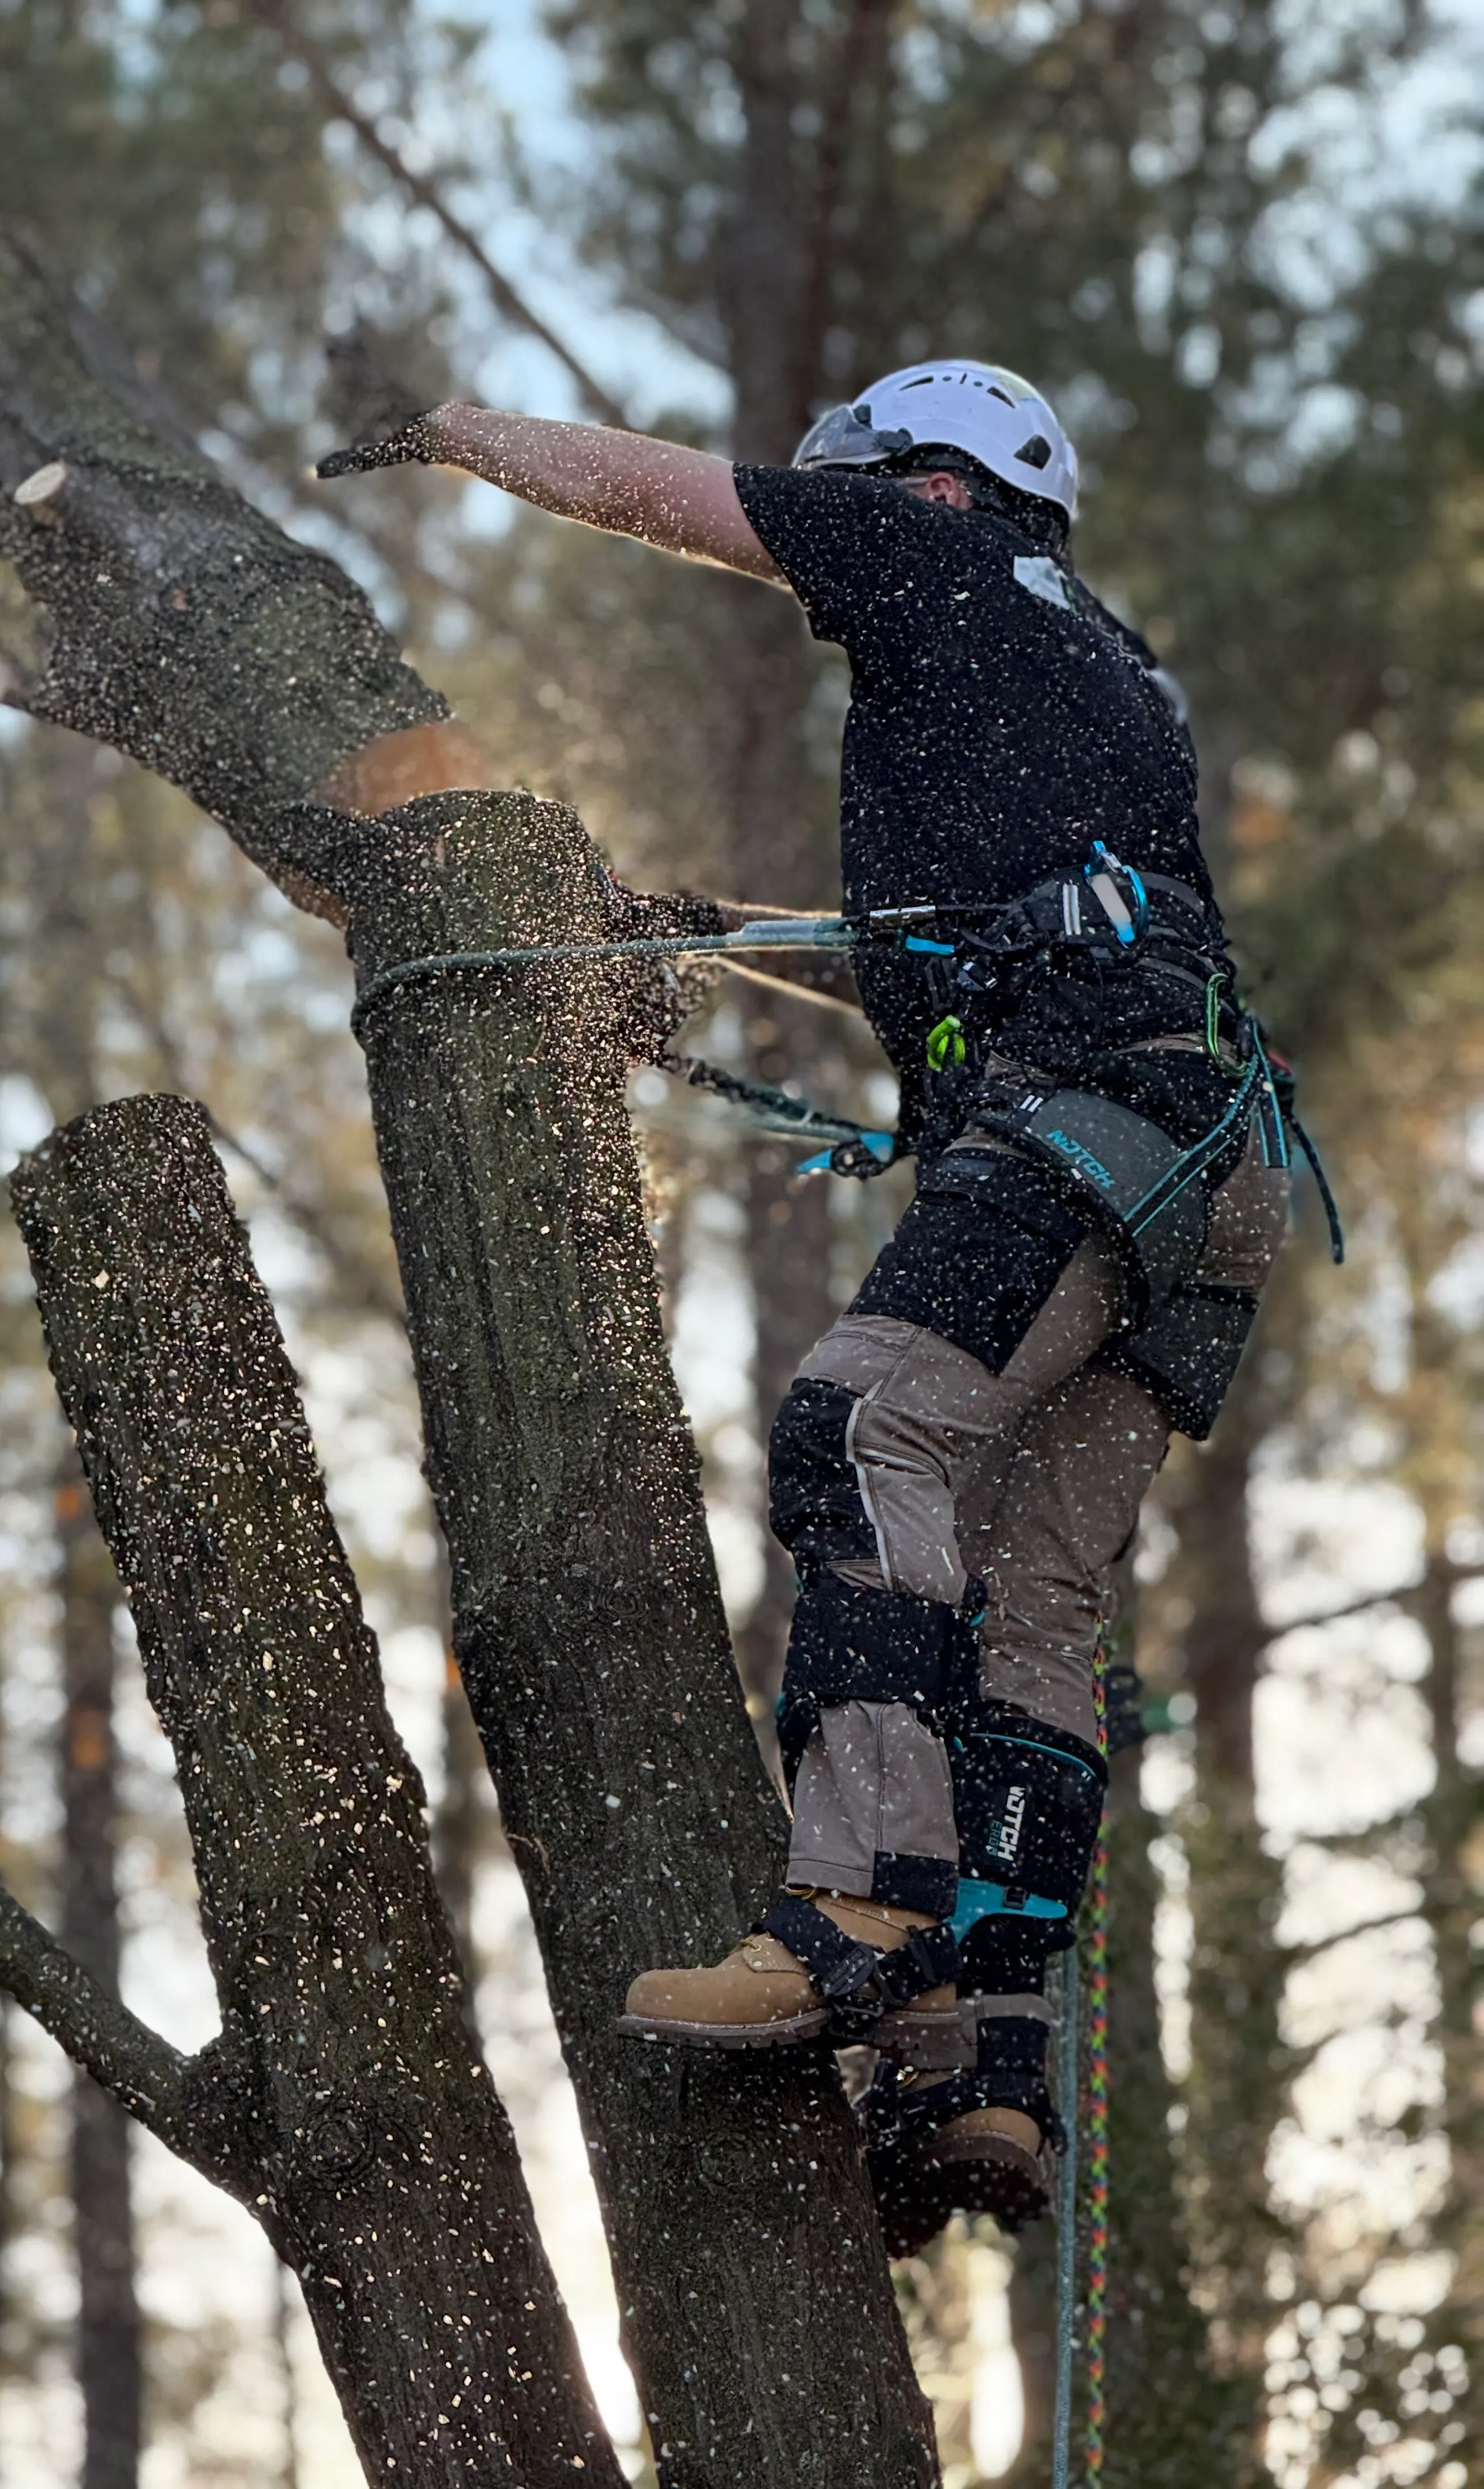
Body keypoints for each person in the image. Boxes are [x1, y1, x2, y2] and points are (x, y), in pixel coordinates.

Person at [315, 361, 1291, 2249]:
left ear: (916, 483)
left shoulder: (913, 545)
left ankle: (857, 1901)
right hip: (1213, 1162)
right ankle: (980, 2077)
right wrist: (705, 942)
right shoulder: (1103, 665)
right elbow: (990, 934)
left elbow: (654, 489)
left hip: (1086, 1132)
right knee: (1034, 1598)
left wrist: (445, 422)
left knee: (862, 1422)